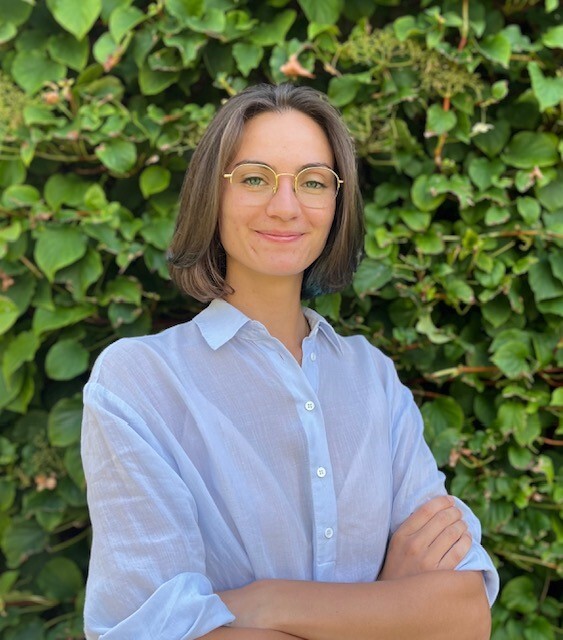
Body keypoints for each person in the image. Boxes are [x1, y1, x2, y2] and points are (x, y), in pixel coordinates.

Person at [81, 83, 499, 640]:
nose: (286, 205)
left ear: (336, 203)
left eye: (313, 181)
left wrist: (266, 603)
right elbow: (149, 631)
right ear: (214, 193)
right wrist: (387, 604)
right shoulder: (139, 382)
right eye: (254, 178)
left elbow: (464, 613)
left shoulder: (372, 377)